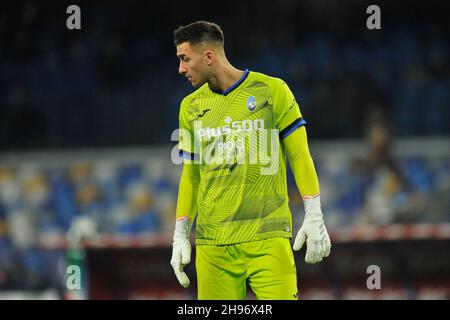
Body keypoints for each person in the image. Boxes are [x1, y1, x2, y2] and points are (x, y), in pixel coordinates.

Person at [170, 21, 331, 300]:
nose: (181, 68)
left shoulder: (272, 90)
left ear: (208, 57)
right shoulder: (190, 107)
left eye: (185, 59)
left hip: (268, 237)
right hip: (213, 246)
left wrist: (314, 214)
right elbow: (192, 175)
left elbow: (299, 154)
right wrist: (180, 234)